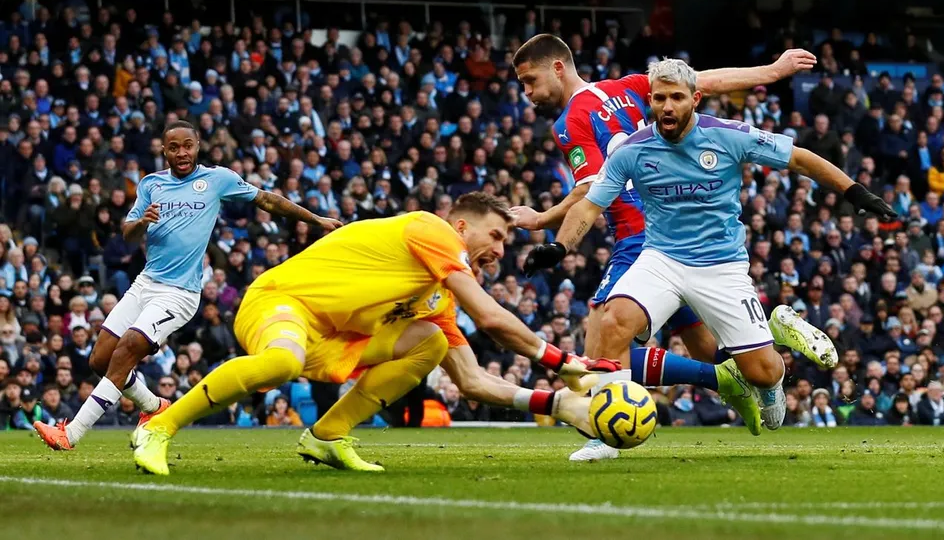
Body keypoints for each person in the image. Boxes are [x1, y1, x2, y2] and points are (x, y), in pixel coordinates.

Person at [526, 58, 896, 438]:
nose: (667, 107)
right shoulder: (632, 150)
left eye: (676, 98)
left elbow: (799, 159)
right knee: (613, 322)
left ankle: (775, 342)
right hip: (660, 259)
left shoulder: (728, 136)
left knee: (760, 371)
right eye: (659, 99)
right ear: (649, 102)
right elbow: (589, 204)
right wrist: (559, 247)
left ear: (695, 99)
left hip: (721, 266)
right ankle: (610, 432)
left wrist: (855, 192)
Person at [132, 192, 616, 475]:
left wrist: (556, 403)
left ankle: (327, 436)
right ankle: (158, 426)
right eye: (496, 235)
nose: (501, 250)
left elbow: (472, 381)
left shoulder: (438, 297)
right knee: (282, 362)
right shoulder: (432, 230)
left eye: (506, 242)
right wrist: (561, 360)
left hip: (332, 336)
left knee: (430, 342)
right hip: (282, 302)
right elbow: (489, 317)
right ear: (462, 226)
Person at [34, 121, 342, 450]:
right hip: (145, 283)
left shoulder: (217, 179)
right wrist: (142, 222)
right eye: (174, 147)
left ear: (197, 146)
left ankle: (71, 433)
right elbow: (128, 234)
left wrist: (316, 219)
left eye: (187, 146)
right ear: (164, 151)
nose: (182, 153)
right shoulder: (151, 184)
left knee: (127, 350)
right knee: (99, 360)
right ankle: (153, 406)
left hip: (179, 294)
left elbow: (267, 200)